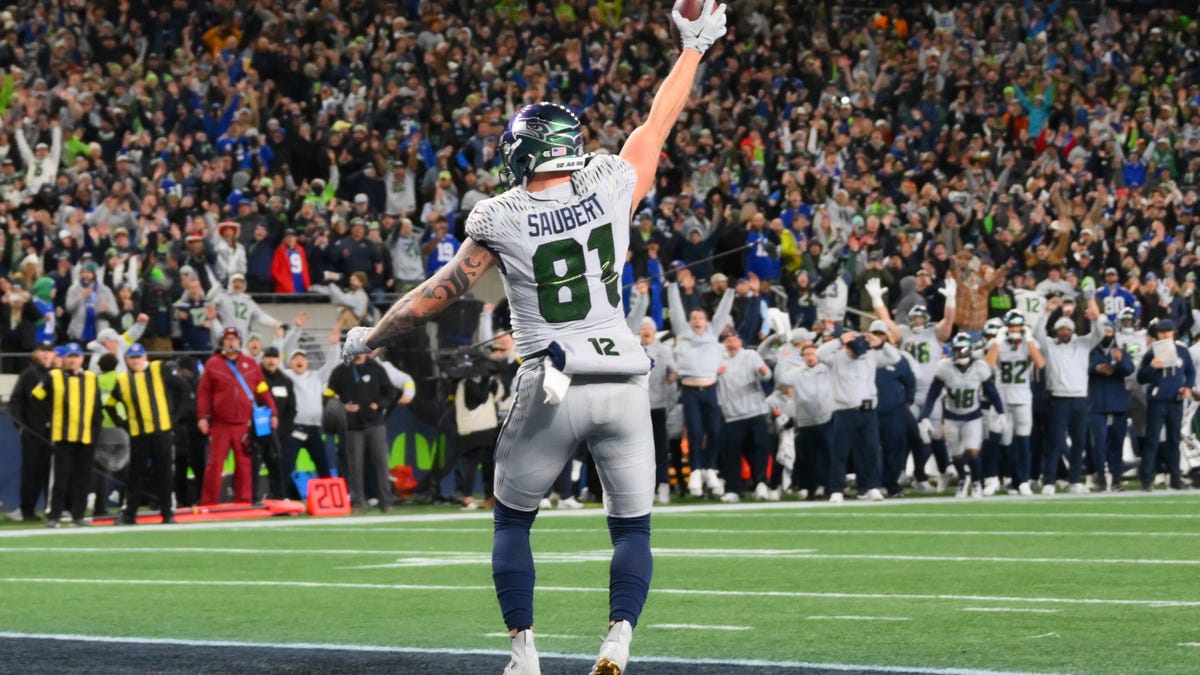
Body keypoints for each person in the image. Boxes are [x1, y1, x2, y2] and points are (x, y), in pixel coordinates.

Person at [340, 4, 728, 672]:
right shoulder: (610, 182)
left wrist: (367, 338)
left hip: (552, 379)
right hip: (624, 377)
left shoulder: (500, 214)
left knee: (513, 520)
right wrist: (692, 47)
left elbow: (434, 295)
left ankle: (524, 653)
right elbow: (657, 122)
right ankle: (618, 638)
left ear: (522, 152)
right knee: (631, 527)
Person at [815, 327, 902, 503]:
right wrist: (839, 340)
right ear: (847, 347)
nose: (858, 355)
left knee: (872, 450)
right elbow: (819, 354)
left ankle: (872, 487)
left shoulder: (869, 355)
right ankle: (836, 489)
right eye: (855, 351)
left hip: (868, 411)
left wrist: (882, 344)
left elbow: (895, 358)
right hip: (844, 411)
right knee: (840, 452)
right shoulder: (836, 358)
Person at [667, 278, 735, 498]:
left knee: (714, 431)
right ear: (689, 321)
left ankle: (709, 468)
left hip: (710, 388)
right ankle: (695, 471)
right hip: (690, 391)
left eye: (701, 318)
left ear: (706, 321)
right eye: (694, 318)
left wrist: (730, 290)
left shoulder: (712, 333)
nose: (697, 321)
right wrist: (672, 286)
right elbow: (676, 309)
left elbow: (723, 312)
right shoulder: (682, 332)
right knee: (695, 432)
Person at [1033, 295, 1106, 494]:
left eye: (1067, 329)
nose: (1064, 332)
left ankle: (1074, 480)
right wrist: (1047, 312)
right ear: (1056, 331)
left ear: (1072, 330)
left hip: (1080, 398)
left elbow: (1099, 334)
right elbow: (1037, 332)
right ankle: (1049, 481)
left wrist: (1095, 319)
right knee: (1055, 441)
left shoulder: (1083, 344)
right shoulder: (1050, 345)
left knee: (1079, 441)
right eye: (1061, 329)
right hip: (1058, 398)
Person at [196, 326, 278, 505]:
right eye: (227, 339)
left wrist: (273, 411)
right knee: (215, 464)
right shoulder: (213, 364)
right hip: (220, 424)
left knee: (244, 464)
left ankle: (243, 500)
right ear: (222, 343)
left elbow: (262, 389)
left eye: (234, 338)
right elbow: (204, 392)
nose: (231, 342)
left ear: (240, 342)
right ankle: (208, 502)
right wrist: (202, 416)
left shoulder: (251, 363)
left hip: (243, 424)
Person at [920, 333, 1005, 498]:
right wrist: (925, 416)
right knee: (956, 453)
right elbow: (932, 394)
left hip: (973, 416)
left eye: (964, 349)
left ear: (970, 350)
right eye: (957, 350)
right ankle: (963, 478)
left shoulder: (980, 367)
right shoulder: (945, 368)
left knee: (973, 451)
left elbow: (992, 392)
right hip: (952, 416)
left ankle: (976, 481)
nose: (960, 353)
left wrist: (1000, 411)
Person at [105, 343, 179, 524]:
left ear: (145, 357)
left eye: (138, 357)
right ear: (126, 359)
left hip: (161, 432)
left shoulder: (159, 369)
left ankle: (167, 513)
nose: (135, 361)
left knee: (164, 473)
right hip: (138, 434)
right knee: (135, 475)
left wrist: (174, 418)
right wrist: (124, 424)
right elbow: (110, 405)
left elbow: (183, 389)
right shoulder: (123, 380)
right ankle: (130, 514)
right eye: (132, 358)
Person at [31, 342, 102, 527]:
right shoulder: (53, 376)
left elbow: (97, 408)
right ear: (64, 359)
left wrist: (95, 433)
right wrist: (48, 419)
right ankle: (54, 515)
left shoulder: (91, 378)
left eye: (75, 356)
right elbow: (35, 398)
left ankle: (78, 515)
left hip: (86, 436)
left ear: (82, 358)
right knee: (60, 478)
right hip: (62, 436)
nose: (72, 360)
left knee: (83, 477)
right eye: (69, 356)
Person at [327, 350, 398, 513]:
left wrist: (379, 404)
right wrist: (343, 407)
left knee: (381, 464)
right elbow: (328, 396)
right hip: (352, 426)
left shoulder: (376, 368)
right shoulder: (340, 371)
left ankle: (386, 502)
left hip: (375, 423)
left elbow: (390, 392)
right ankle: (358, 502)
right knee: (355, 465)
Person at [985, 310, 1045, 496]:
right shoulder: (996, 343)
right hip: (1001, 397)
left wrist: (1029, 339)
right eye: (1011, 326)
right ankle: (992, 478)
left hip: (1022, 396)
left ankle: (1023, 480)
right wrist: (998, 340)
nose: (1015, 329)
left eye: (1018, 325)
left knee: (1023, 441)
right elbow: (987, 366)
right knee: (995, 439)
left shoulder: (1029, 343)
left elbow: (1040, 363)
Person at [1136, 319, 1195, 491]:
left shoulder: (1182, 351)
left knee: (1174, 441)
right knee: (1152, 439)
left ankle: (1175, 479)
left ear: (1173, 332)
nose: (1165, 334)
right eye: (1162, 332)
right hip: (1157, 401)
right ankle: (1146, 479)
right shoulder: (1151, 352)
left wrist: (1187, 387)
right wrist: (1152, 367)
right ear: (1157, 334)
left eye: (1168, 331)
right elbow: (1141, 377)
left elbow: (1190, 372)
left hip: (1176, 401)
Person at [715, 331, 772, 502]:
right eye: (728, 340)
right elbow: (708, 380)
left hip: (755, 411)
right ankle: (733, 489)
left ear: (741, 342)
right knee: (732, 454)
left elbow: (766, 375)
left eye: (734, 340)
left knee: (759, 450)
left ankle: (761, 484)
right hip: (732, 415)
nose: (731, 343)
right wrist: (716, 373)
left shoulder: (750, 355)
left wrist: (762, 371)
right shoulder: (718, 359)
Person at [6, 340, 56, 522]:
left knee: (53, 473)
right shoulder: (28, 375)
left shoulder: (57, 374)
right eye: (43, 351)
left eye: (49, 351)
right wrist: (22, 426)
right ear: (36, 353)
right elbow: (16, 402)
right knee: (32, 471)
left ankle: (55, 509)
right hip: (33, 432)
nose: (46, 354)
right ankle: (27, 510)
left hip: (55, 432)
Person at [1087, 324, 1135, 492]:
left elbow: (1129, 369)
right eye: (1104, 331)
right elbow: (1081, 368)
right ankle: (1100, 476)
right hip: (1097, 403)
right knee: (1099, 444)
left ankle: (1116, 479)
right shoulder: (1090, 351)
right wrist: (1097, 368)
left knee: (1117, 444)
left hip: (1118, 404)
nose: (1107, 335)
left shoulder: (1120, 351)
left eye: (1109, 331)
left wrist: (1120, 361)